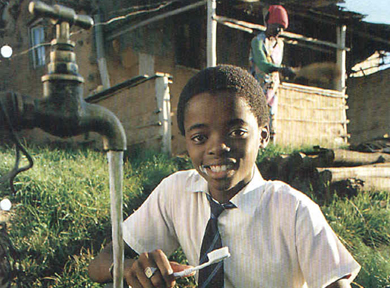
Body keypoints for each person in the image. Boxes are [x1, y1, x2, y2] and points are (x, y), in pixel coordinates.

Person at [88, 65, 360, 288]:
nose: (217, 147)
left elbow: (336, 283)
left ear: (263, 135)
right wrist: (129, 268)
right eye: (200, 137)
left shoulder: (293, 210)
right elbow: (99, 263)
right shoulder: (175, 193)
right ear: (187, 144)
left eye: (236, 132)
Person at [249, 5, 295, 137]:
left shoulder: (280, 44)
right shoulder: (257, 42)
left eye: (282, 28)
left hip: (272, 89)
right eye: (276, 26)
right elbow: (263, 64)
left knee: (271, 121)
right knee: (256, 120)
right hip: (256, 86)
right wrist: (280, 69)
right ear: (268, 22)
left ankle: (269, 150)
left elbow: (276, 66)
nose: (279, 30)